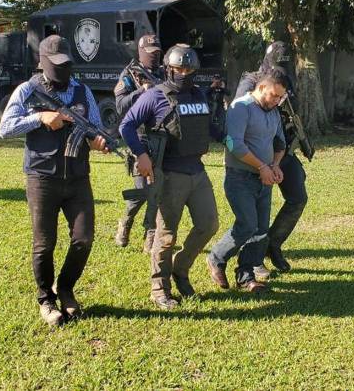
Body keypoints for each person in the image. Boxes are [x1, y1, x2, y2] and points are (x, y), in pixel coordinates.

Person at [0, 35, 109, 326]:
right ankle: (46, 299)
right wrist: (40, 118)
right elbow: (5, 128)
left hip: (77, 177)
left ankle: (66, 288)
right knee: (44, 244)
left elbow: (96, 128)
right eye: (56, 64)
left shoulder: (83, 91)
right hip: (42, 178)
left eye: (66, 63)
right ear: (43, 62)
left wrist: (98, 142)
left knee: (84, 238)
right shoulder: (27, 90)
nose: (62, 69)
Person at [119, 44, 219, 310]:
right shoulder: (155, 95)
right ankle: (159, 289)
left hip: (197, 171)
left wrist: (230, 137)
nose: (184, 74)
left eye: (188, 70)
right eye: (178, 69)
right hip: (170, 175)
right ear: (168, 69)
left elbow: (208, 126)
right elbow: (126, 125)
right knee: (166, 235)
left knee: (208, 224)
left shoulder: (198, 95)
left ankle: (180, 269)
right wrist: (141, 154)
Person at [207, 69, 286, 292]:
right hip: (240, 178)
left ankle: (245, 276)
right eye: (274, 95)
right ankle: (216, 258)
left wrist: (275, 165)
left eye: (280, 97)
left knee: (261, 230)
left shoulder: (273, 111)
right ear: (261, 87)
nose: (277, 101)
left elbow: (280, 142)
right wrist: (262, 166)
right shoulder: (240, 107)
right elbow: (234, 144)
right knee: (248, 225)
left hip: (265, 179)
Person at [234, 41, 310, 277]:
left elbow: (292, 115)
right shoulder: (251, 82)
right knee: (257, 213)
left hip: (282, 151)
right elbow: (239, 117)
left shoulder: (288, 82)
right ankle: (253, 261)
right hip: (255, 155)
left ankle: (273, 244)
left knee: (298, 198)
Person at [114, 34, 165, 252]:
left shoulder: (163, 73)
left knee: (157, 192)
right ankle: (126, 222)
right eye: (150, 53)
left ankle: (150, 234)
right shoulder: (130, 74)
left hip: (161, 137)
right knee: (142, 190)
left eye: (157, 53)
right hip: (139, 137)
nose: (154, 57)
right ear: (141, 52)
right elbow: (120, 105)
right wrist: (140, 92)